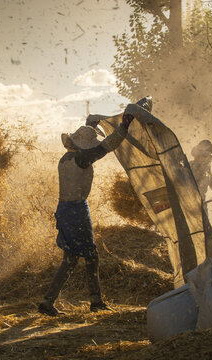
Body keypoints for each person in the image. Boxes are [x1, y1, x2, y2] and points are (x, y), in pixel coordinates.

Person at [38, 107, 136, 316]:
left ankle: (49, 301)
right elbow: (106, 146)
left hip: (65, 209)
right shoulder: (82, 159)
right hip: (76, 211)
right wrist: (124, 127)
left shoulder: (66, 158)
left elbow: (89, 145)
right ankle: (95, 301)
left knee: (71, 259)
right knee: (90, 256)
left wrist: (90, 126)